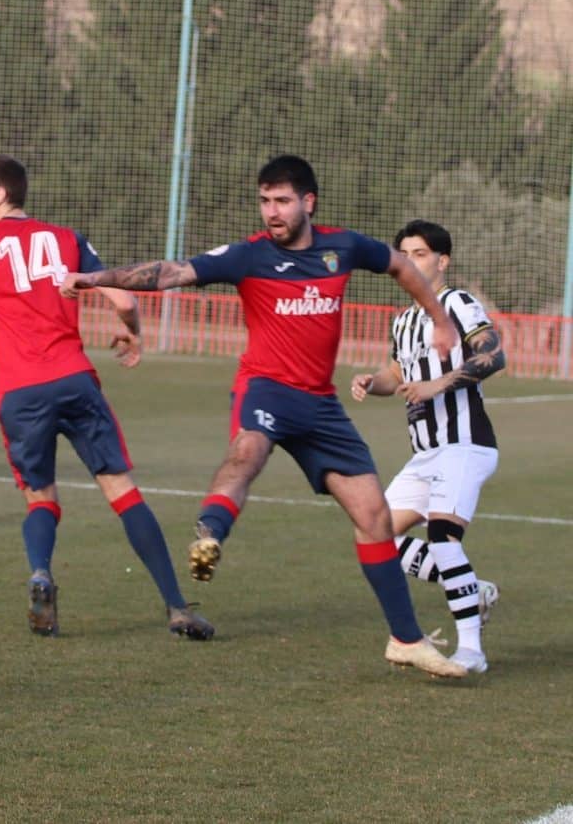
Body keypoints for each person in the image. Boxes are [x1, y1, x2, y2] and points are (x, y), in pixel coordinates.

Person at [60, 155, 467, 677]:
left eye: (281, 201)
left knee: (374, 517)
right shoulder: (246, 256)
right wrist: (97, 278)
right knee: (247, 451)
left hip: (320, 405)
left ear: (307, 203)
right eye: (264, 201)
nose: (271, 212)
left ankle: (404, 639)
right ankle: (210, 531)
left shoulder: (342, 247)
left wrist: (438, 319)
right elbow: (169, 273)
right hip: (267, 390)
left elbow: (402, 266)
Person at [0, 155, 213, 641]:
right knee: (123, 492)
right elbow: (125, 299)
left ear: (0, 195)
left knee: (40, 499)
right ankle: (177, 606)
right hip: (75, 380)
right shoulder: (68, 239)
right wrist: (131, 335)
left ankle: (41, 574)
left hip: (20, 390)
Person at [351, 220, 503, 673]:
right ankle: (472, 589)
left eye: (420, 253)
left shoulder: (457, 304)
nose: (411, 261)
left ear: (442, 260)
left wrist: (440, 383)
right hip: (425, 455)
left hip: (465, 444)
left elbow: (493, 353)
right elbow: (396, 375)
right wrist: (371, 382)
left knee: (443, 539)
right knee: (379, 534)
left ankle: (472, 652)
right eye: (405, 254)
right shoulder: (404, 321)